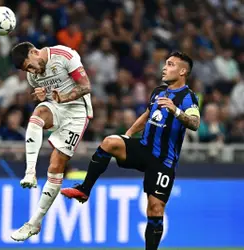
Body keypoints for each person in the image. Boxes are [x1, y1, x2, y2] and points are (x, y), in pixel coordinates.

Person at [61, 51, 200, 250]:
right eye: (165, 64)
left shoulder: (188, 97)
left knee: (155, 208)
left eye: (170, 64)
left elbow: (194, 123)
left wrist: (176, 111)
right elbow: (146, 115)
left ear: (182, 71)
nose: (164, 67)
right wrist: (128, 134)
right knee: (110, 142)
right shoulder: (159, 91)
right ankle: (84, 190)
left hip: (163, 161)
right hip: (143, 148)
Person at [10, 42, 93, 241]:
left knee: (56, 165)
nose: (30, 71)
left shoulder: (64, 55)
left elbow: (86, 86)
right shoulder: (33, 76)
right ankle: (30, 172)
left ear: (33, 52)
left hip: (77, 114)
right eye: (26, 70)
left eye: (29, 65)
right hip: (56, 107)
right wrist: (41, 96)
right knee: (37, 114)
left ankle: (34, 223)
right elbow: (47, 97)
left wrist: (62, 97)